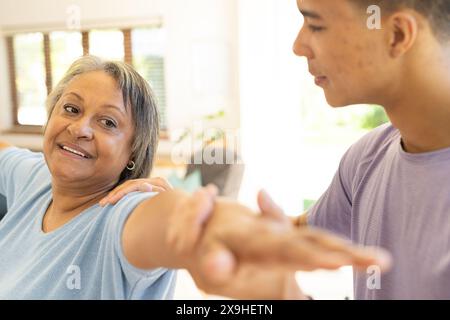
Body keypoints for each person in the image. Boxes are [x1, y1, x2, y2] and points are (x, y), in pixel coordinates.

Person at [116, 0, 450, 299]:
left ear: (396, 34)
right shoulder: (368, 157)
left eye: (316, 24)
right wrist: (179, 213)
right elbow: (285, 238)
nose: (298, 45)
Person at [0, 55, 387, 300]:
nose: (80, 128)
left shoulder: (122, 213)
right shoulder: (31, 177)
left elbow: (172, 221)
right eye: (70, 108)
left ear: (133, 155)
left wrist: (215, 230)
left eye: (107, 122)